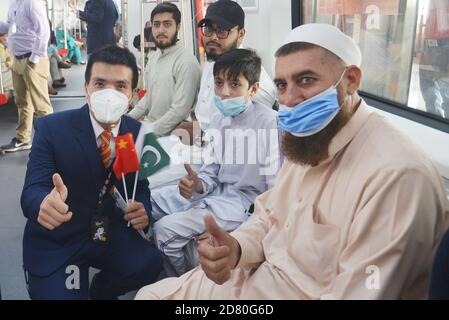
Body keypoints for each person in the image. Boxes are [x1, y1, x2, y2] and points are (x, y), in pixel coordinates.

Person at [136, 24, 449, 300]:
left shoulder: (396, 176)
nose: (289, 100)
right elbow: (269, 215)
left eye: (307, 80)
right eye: (283, 85)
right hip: (251, 275)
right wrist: (237, 248)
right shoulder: (310, 140)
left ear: (350, 79)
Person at [21, 45, 162, 300]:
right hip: (60, 239)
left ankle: (101, 290)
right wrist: (43, 203)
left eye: (120, 86)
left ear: (132, 94)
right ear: (86, 88)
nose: (109, 94)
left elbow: (140, 187)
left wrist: (143, 208)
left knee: (148, 263)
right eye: (99, 84)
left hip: (109, 233)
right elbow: (33, 188)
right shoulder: (51, 129)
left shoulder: (137, 134)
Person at [150, 49, 281, 276]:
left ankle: (184, 282)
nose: (224, 93)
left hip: (242, 204)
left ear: (254, 89)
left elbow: (274, 190)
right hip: (214, 194)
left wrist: (244, 228)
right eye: (219, 83)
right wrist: (195, 184)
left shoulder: (269, 123)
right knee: (150, 202)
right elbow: (210, 173)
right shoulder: (220, 119)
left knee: (163, 231)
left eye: (234, 84)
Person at [148, 0, 276, 189]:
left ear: (240, 34)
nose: (212, 37)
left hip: (209, 161)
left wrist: (200, 136)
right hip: (191, 145)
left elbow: (242, 147)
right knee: (134, 159)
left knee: (144, 179)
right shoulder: (213, 61)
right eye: (208, 30)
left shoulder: (254, 83)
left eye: (222, 31)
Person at [128, 3, 201, 137]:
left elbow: (179, 111)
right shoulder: (154, 57)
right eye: (156, 25)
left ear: (178, 27)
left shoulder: (186, 62)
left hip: (174, 137)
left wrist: (147, 133)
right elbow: (148, 99)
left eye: (167, 24)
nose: (160, 30)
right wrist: (125, 120)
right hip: (152, 128)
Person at [0, 0, 53, 153]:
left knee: (41, 105)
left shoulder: (31, 3)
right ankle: (23, 138)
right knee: (22, 102)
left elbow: (43, 31)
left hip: (32, 59)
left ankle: (51, 142)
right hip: (17, 59)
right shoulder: (14, 4)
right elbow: (10, 27)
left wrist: (34, 60)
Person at [0, 24, 13, 97]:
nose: (6, 38)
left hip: (5, 70)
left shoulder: (5, 46)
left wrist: (8, 63)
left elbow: (8, 57)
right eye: (4, 36)